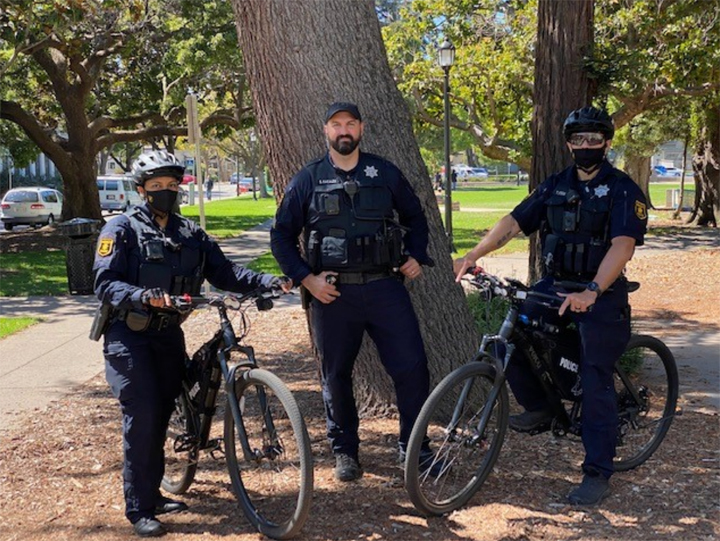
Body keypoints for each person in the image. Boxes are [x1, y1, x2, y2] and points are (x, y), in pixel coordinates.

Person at [454, 106, 648, 506]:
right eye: (579, 139)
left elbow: (622, 246)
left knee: (595, 379)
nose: (586, 146)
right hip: (556, 286)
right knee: (511, 337)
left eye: (594, 139)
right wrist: (472, 254)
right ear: (568, 143)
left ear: (607, 143)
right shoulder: (555, 185)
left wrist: (593, 289)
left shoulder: (623, 189)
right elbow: (512, 222)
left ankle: (597, 470)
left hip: (602, 294)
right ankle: (542, 407)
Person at [93, 150, 289, 537]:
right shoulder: (121, 229)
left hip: (168, 334)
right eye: (156, 187)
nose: (165, 192)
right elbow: (103, 283)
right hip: (128, 338)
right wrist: (141, 295)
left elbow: (224, 271)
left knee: (166, 408)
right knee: (145, 413)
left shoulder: (190, 234)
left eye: (171, 186)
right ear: (141, 189)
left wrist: (266, 281)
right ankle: (140, 507)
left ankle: (157, 489)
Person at [271, 102, 435, 482]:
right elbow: (280, 235)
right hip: (333, 295)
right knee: (336, 375)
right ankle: (345, 451)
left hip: (384, 288)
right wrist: (306, 279)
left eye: (350, 124)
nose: (343, 130)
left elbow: (416, 217)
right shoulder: (307, 179)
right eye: (336, 125)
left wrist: (415, 255)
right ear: (326, 131)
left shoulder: (385, 172)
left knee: (412, 368)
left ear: (361, 128)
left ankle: (414, 450)